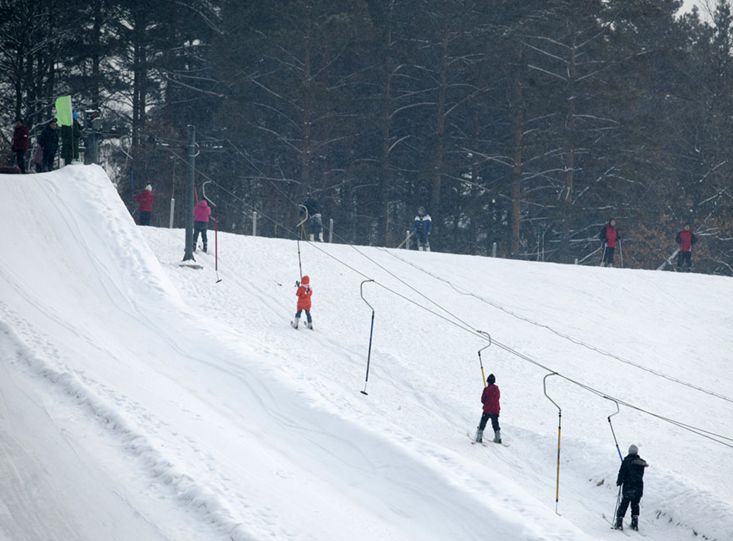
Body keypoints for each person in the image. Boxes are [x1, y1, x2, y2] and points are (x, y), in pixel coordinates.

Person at [614, 444, 648, 531]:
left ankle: (619, 522)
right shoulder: (640, 463)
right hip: (639, 488)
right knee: (635, 504)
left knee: (624, 503)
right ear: (636, 452)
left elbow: (622, 473)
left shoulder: (626, 462)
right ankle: (634, 523)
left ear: (629, 452)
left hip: (628, 487)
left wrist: (619, 481)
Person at [475, 373, 501, 444]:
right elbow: (498, 398)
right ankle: (498, 437)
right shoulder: (497, 389)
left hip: (487, 409)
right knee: (495, 423)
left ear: (488, 381)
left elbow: (483, 400)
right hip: (495, 410)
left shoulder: (486, 389)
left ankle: (479, 437)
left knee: (483, 423)